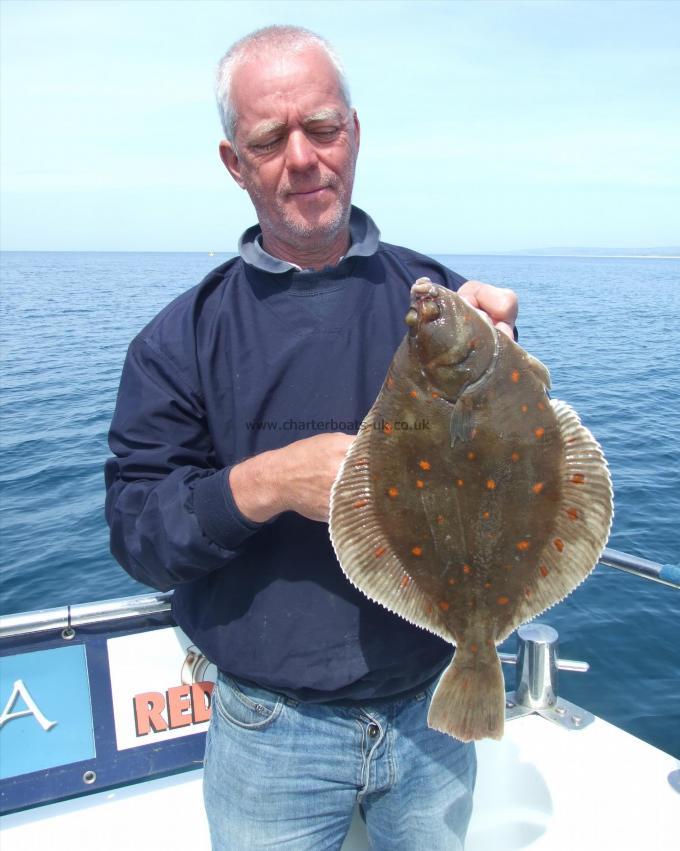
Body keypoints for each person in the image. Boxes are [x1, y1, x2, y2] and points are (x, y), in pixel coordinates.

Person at [105, 25, 518, 851]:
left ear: (354, 134)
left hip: (435, 711)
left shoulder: (433, 297)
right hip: (270, 733)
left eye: (323, 128)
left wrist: (503, 359)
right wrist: (265, 484)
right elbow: (139, 533)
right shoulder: (181, 336)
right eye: (270, 138)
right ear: (235, 161)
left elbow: (515, 471)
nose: (303, 157)